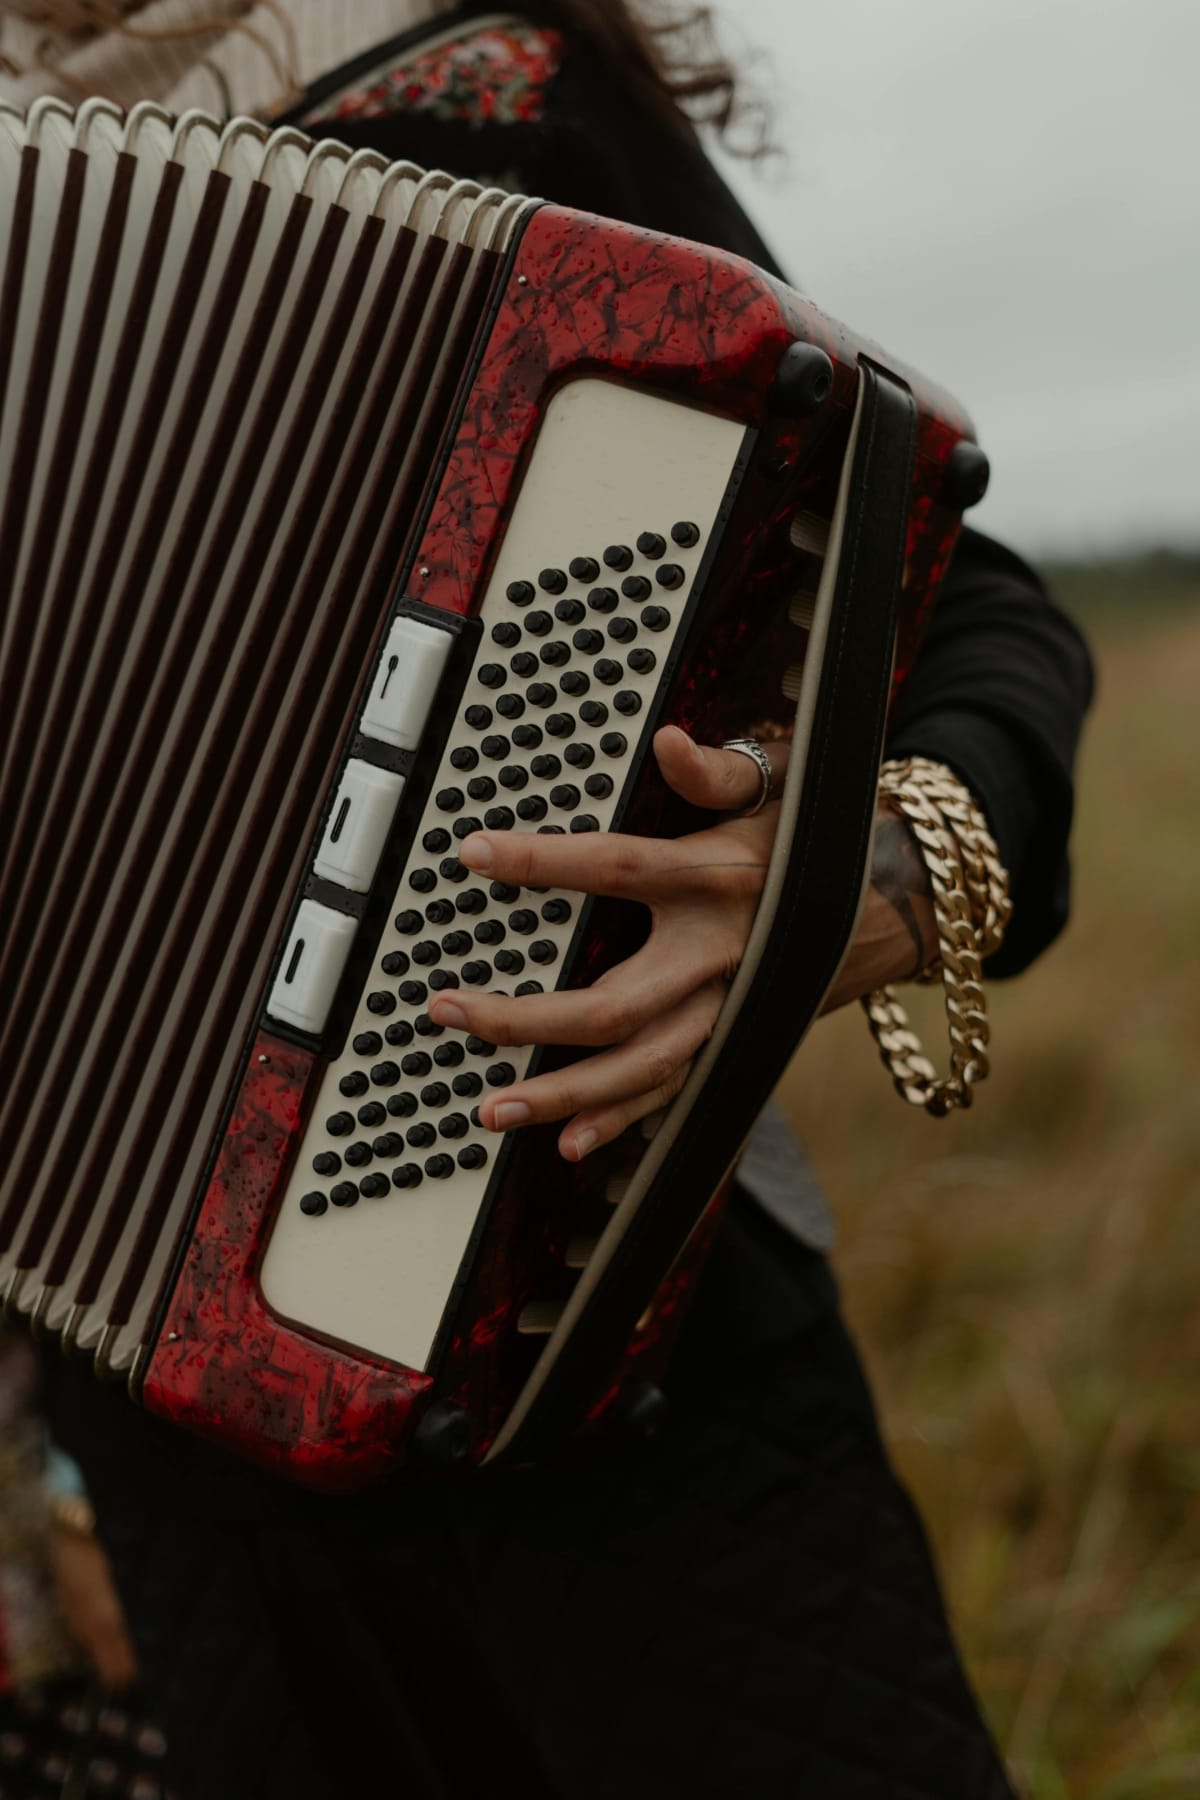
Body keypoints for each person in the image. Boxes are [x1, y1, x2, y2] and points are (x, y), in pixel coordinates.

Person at [10, 3, 1094, 1795]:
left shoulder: (483, 78)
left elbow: (963, 604)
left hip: (600, 1349)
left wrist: (849, 888)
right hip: (157, 1478)